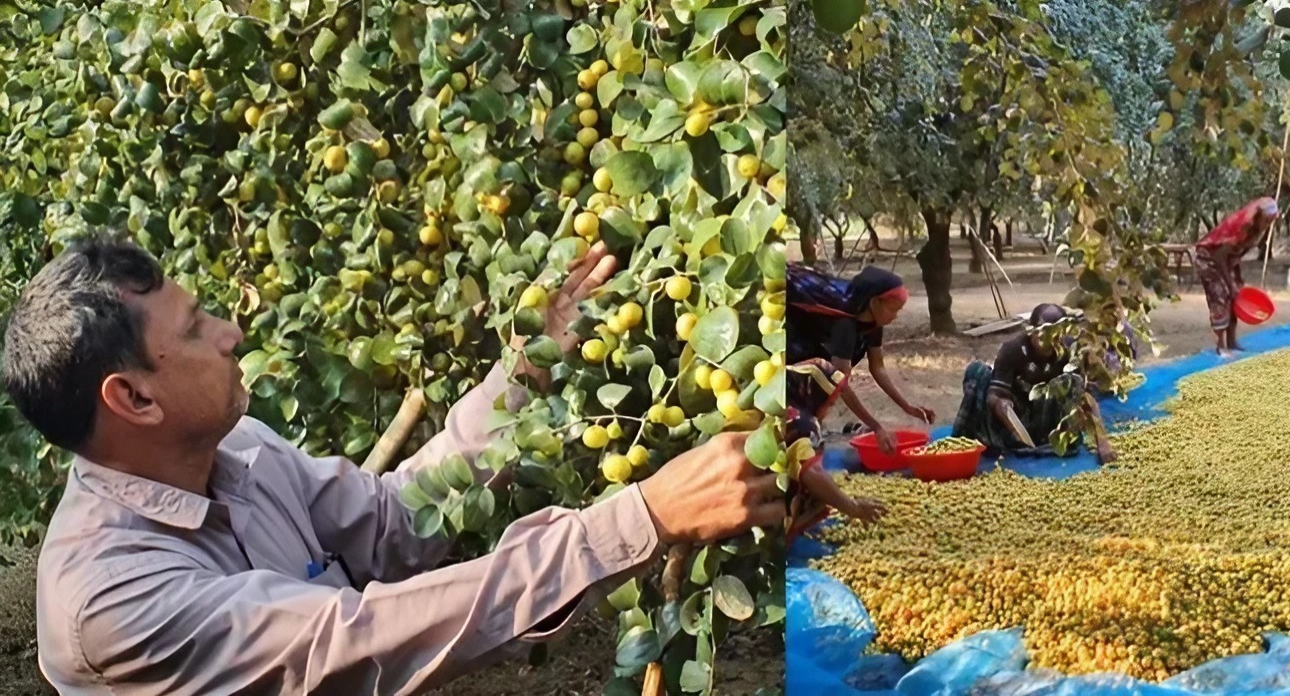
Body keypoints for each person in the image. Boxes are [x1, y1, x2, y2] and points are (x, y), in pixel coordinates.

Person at [3, 236, 784, 694]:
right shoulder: (108, 601)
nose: (233, 332)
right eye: (199, 327)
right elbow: (359, 638)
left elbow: (392, 522)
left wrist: (525, 372)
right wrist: (636, 519)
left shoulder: (237, 448)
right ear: (133, 399)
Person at [785, 264, 935, 453]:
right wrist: (877, 427)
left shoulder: (873, 323)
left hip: (820, 366)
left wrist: (907, 406)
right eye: (893, 309)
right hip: (794, 361)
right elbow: (840, 384)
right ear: (874, 303)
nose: (896, 316)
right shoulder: (845, 326)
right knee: (806, 417)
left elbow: (878, 367)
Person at [952, 304, 1118, 464]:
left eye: (1052, 336)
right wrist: (1002, 406)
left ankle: (1046, 440)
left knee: (1074, 382)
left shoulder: (1068, 349)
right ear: (1030, 332)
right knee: (977, 372)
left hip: (1048, 414)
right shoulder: (1013, 349)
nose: (1045, 342)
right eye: (1040, 335)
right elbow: (995, 394)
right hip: (1019, 408)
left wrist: (1103, 443)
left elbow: (1085, 398)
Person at [784, 358, 887, 544]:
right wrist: (852, 507)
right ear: (815, 394)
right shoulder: (802, 422)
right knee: (816, 491)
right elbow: (810, 472)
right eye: (829, 404)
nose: (828, 412)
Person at [1194, 197, 1281, 355]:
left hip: (1227, 261)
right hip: (1209, 258)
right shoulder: (1243, 227)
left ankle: (1232, 342)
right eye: (1266, 220)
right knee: (1220, 296)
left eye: (1271, 221)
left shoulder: (1257, 231)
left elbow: (1237, 253)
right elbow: (1219, 256)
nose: (1268, 225)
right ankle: (1221, 346)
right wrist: (1229, 283)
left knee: (1237, 297)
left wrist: (1236, 280)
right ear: (1259, 216)